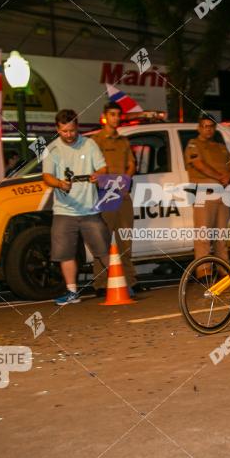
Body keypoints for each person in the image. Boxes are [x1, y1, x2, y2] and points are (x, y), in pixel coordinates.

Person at [41, 109, 110, 306]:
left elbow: (103, 168)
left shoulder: (89, 144)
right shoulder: (52, 149)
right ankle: (72, 292)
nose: (68, 135)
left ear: (77, 127)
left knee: (104, 250)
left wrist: (99, 174)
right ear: (57, 129)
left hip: (90, 210)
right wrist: (59, 184)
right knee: (65, 254)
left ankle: (120, 285)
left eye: (71, 130)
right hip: (64, 210)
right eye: (64, 131)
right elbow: (46, 176)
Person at [91, 102, 138, 298]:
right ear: (105, 117)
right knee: (103, 240)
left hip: (123, 194)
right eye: (112, 114)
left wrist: (126, 180)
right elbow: (93, 167)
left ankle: (129, 281)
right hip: (106, 193)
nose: (116, 118)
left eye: (118, 114)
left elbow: (131, 164)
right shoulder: (96, 141)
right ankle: (101, 283)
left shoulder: (124, 141)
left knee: (125, 240)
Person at [184, 114, 230, 277]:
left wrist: (228, 174)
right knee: (203, 235)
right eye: (205, 126)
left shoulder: (220, 147)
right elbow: (199, 165)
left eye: (211, 126)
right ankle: (204, 272)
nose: (208, 129)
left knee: (221, 236)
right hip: (204, 193)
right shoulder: (194, 144)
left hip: (222, 193)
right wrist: (220, 177)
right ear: (199, 128)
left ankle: (224, 270)